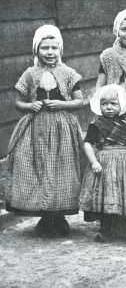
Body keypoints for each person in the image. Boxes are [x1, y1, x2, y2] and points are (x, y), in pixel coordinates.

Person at [6, 25, 85, 236]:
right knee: (39, 168)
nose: (50, 52)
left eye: (54, 47)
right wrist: (29, 106)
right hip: (36, 130)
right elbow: (18, 102)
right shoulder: (30, 74)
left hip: (62, 129)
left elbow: (80, 101)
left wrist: (62, 105)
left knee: (62, 169)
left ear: (60, 49)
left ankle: (59, 217)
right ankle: (45, 216)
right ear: (36, 50)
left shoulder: (68, 73)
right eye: (44, 48)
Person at [80, 85, 126, 242]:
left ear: (121, 104)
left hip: (125, 164)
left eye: (113, 104)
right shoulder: (96, 125)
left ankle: (124, 227)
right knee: (107, 193)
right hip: (105, 164)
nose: (108, 107)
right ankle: (107, 229)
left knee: (125, 193)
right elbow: (87, 143)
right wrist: (94, 161)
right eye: (104, 104)